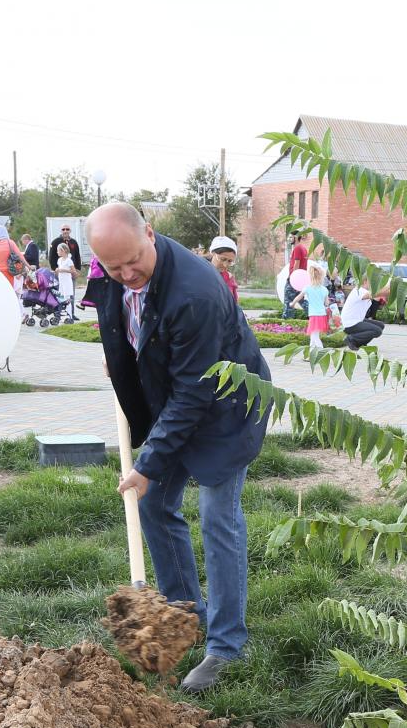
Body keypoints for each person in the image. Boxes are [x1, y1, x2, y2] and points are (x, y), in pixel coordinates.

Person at [86, 201, 271, 694]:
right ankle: (185, 614)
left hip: (225, 409)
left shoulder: (196, 291)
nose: (126, 274)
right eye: (113, 266)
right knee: (153, 503)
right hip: (172, 400)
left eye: (133, 262)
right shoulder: (111, 271)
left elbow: (196, 392)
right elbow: (116, 322)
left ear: (149, 233)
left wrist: (148, 462)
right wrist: (121, 358)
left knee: (218, 516)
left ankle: (226, 646)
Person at [293, 262, 331, 351]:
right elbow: (327, 303)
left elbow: (299, 297)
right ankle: (311, 354)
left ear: (310, 276)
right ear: (321, 277)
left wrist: (292, 303)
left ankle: (322, 352)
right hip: (322, 315)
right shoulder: (324, 289)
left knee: (314, 336)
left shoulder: (308, 288)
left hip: (314, 315)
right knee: (313, 335)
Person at [341, 276, 385, 350]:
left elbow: (378, 297)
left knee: (380, 325)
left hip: (356, 320)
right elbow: (375, 294)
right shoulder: (359, 290)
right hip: (349, 323)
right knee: (377, 331)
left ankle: (360, 342)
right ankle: (351, 339)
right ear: (365, 281)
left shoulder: (364, 291)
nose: (374, 284)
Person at [283, 233, 309, 317]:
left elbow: (296, 263)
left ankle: (287, 321)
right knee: (301, 299)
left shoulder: (297, 248)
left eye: (291, 237)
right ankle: (315, 315)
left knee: (288, 299)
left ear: (296, 237)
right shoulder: (303, 248)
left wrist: (292, 277)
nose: (289, 239)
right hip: (300, 279)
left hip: (295, 279)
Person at [208, 235, 239, 303]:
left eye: (230, 261)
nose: (225, 265)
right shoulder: (201, 274)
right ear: (212, 254)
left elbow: (234, 304)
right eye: (223, 259)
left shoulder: (229, 278)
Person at [56, 243, 76, 314]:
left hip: (67, 282)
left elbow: (74, 271)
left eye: (58, 250)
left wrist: (63, 270)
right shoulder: (59, 260)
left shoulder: (69, 261)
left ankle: (70, 314)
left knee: (67, 298)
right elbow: (59, 269)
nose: (57, 252)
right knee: (61, 297)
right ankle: (61, 313)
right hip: (61, 281)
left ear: (63, 251)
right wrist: (57, 270)